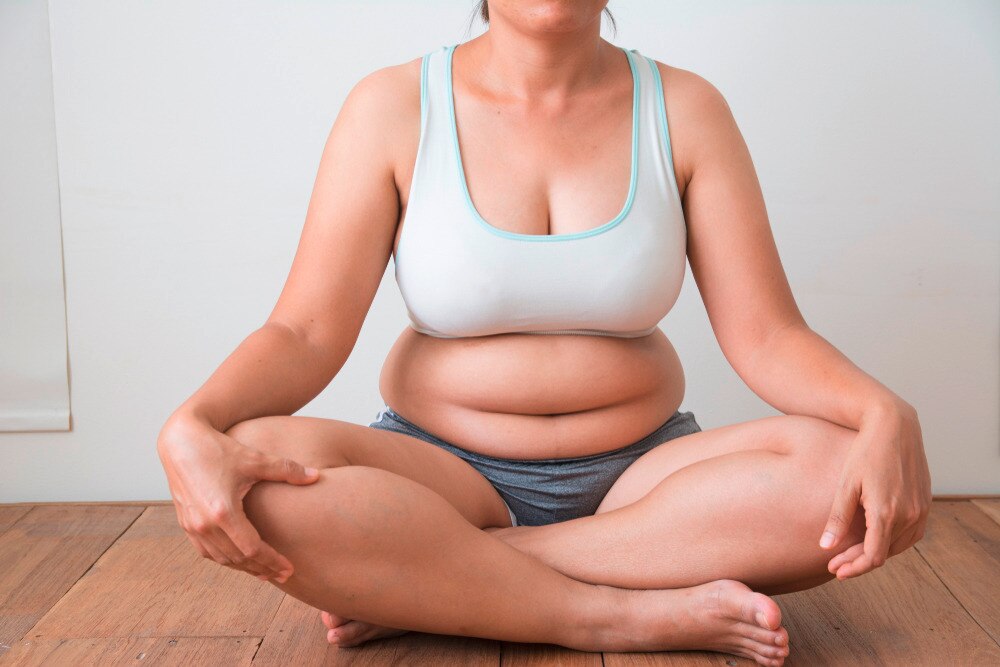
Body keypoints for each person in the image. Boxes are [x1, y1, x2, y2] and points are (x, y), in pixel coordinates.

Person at [155, 2, 932, 664]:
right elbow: (304, 329)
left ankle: (438, 585)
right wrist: (193, 421)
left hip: (647, 486)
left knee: (849, 476)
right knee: (257, 477)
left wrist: (881, 410)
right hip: (439, 479)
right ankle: (623, 614)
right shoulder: (390, 108)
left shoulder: (688, 109)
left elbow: (767, 335)